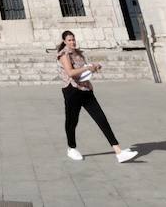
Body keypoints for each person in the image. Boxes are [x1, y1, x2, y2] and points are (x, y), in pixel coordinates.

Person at [57, 31, 137, 163]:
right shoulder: (64, 54)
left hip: (86, 89)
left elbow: (83, 70)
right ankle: (71, 148)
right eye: (70, 40)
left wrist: (93, 68)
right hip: (72, 91)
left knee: (101, 118)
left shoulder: (78, 53)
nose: (73, 42)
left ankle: (118, 151)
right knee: (72, 121)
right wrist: (87, 68)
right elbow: (71, 72)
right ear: (64, 41)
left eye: (73, 39)